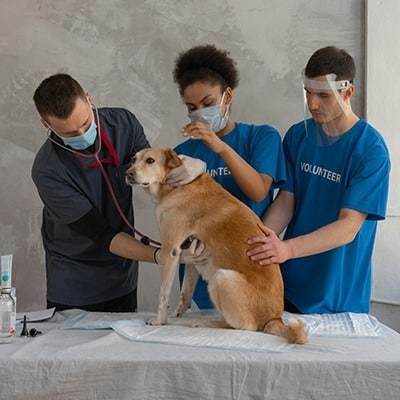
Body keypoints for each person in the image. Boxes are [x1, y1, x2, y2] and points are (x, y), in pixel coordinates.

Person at [32, 73, 206, 313]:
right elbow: (101, 234)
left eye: (85, 123)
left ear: (90, 100)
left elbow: (153, 175)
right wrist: (162, 255)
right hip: (75, 282)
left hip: (122, 276)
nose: (82, 134)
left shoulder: (123, 124)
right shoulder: (48, 170)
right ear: (46, 125)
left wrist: (194, 168)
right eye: (71, 134)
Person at [247, 46, 391, 314]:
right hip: (288, 289)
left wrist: (286, 249)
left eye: (324, 95)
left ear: (348, 92)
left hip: (338, 299)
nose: (313, 104)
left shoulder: (371, 151)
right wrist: (255, 243)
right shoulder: (297, 136)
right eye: (308, 93)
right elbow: (286, 202)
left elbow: (348, 227)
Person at [172, 44, 286, 308]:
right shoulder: (181, 154)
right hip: (202, 282)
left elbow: (258, 191)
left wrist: (220, 147)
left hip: (249, 272)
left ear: (228, 96)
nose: (199, 113)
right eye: (191, 107)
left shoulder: (262, 138)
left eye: (208, 103)